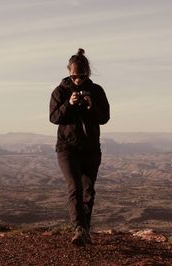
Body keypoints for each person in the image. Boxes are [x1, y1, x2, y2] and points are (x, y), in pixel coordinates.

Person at [49, 48, 110, 246]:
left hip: (91, 149)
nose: (77, 80)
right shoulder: (60, 91)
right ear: (69, 72)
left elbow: (104, 118)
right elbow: (54, 117)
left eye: (81, 76)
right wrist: (69, 103)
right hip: (67, 148)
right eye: (74, 76)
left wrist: (92, 106)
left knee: (88, 191)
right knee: (74, 187)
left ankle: (84, 229)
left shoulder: (97, 91)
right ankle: (79, 229)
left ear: (87, 73)